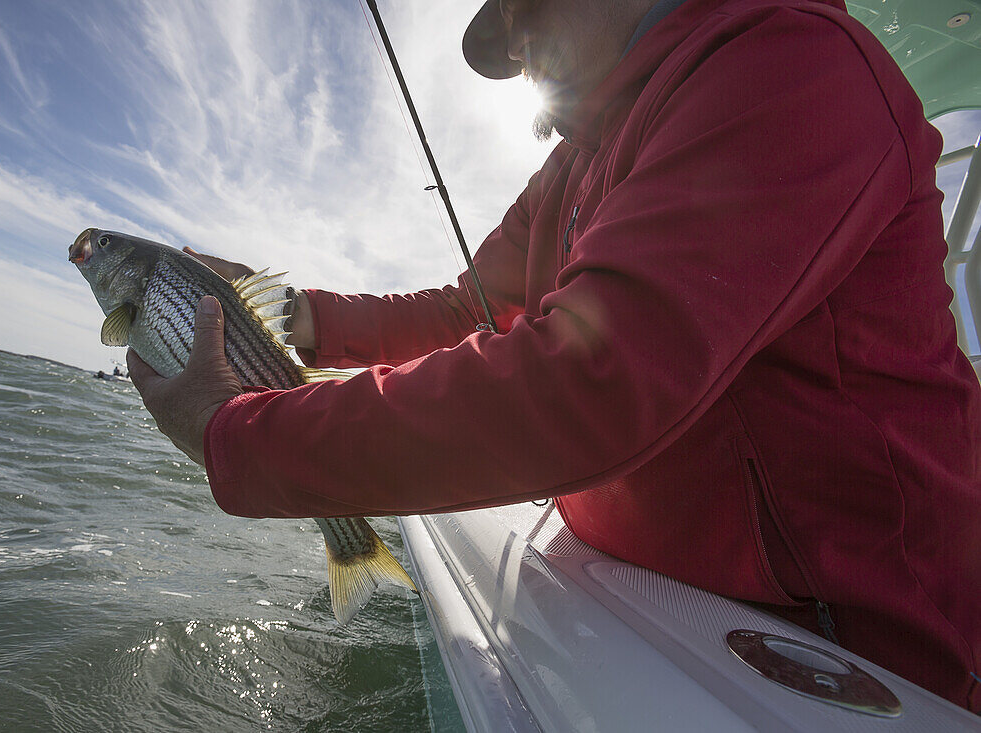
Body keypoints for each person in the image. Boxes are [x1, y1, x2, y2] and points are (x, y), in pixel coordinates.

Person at [127, 0, 981, 711]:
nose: (518, 45)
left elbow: (592, 379)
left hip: (874, 654)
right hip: (662, 608)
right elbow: (466, 308)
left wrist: (235, 433)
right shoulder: (573, 163)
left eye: (523, 13)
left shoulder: (793, 62)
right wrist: (280, 311)